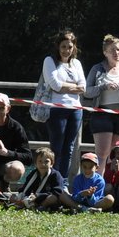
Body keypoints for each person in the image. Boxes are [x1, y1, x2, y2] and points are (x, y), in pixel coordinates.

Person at [83, 34, 119, 165]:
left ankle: (113, 184)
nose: (116, 53)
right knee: (102, 154)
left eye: (118, 49)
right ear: (105, 52)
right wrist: (103, 87)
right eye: (112, 50)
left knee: (117, 155)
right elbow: (86, 91)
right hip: (102, 114)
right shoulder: (97, 69)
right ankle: (100, 183)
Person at [39, 30, 85, 177]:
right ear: (58, 47)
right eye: (63, 46)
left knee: (69, 148)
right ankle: (51, 179)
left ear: (74, 48)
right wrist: (74, 87)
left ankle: (62, 180)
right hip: (56, 110)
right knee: (56, 148)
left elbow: (83, 87)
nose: (66, 50)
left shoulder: (76, 63)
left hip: (75, 110)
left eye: (70, 47)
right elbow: (54, 85)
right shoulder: (49, 61)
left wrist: (66, 87)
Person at [0, 92, 32, 188]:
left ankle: (3, 183)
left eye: (2, 108)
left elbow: (28, 157)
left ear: (8, 109)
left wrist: (6, 152)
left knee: (17, 169)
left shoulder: (16, 127)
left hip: (5, 165)